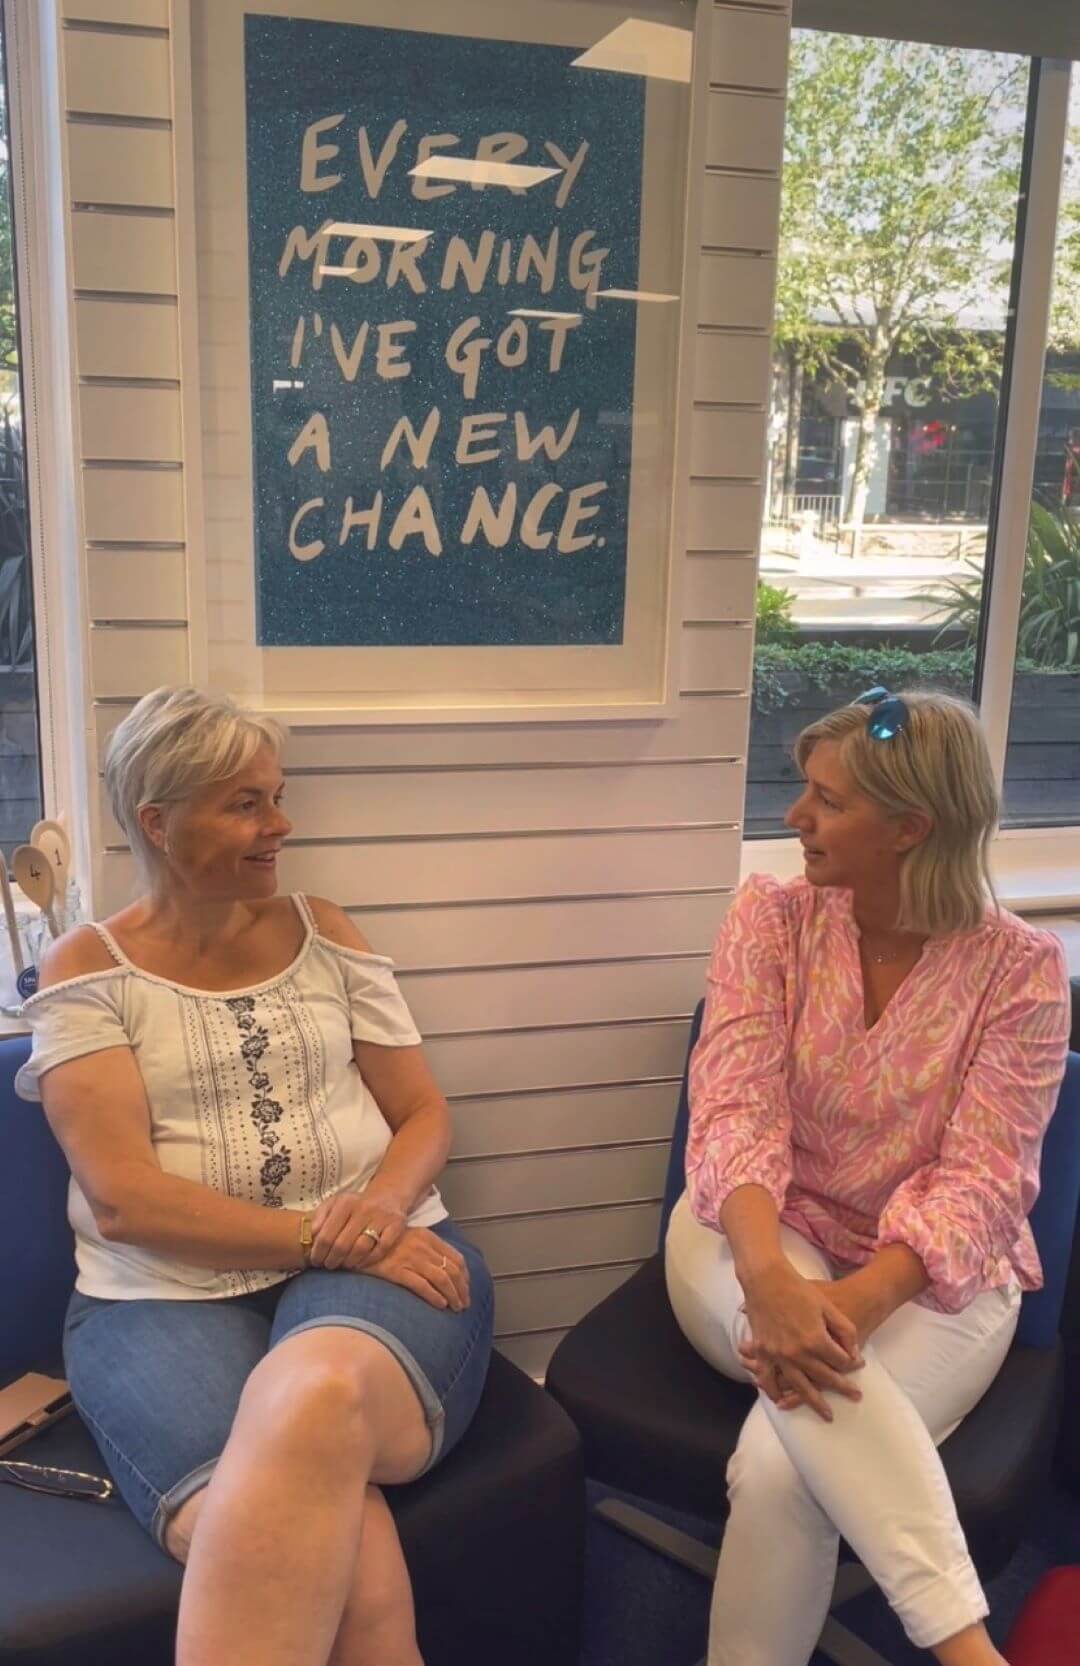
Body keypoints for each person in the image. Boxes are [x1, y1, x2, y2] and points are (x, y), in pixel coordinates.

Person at [16, 685, 494, 1666]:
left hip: (378, 1267)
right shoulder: (86, 971)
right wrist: (339, 1232)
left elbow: (422, 1113)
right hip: (156, 1297)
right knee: (333, 1521)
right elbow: (123, 1199)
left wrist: (384, 1211)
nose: (281, 823)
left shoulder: (326, 928)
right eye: (246, 803)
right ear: (159, 819)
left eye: (277, 794)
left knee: (313, 1394)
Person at [665, 688, 1070, 1666]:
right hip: (749, 1228)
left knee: (779, 1465)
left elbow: (982, 1180)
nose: (795, 817)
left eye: (827, 801)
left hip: (936, 1272)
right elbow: (734, 1110)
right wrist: (772, 1284)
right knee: (807, 1422)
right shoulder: (772, 918)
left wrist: (846, 1304)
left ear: (910, 828)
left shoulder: (1021, 973)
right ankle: (972, 1649)